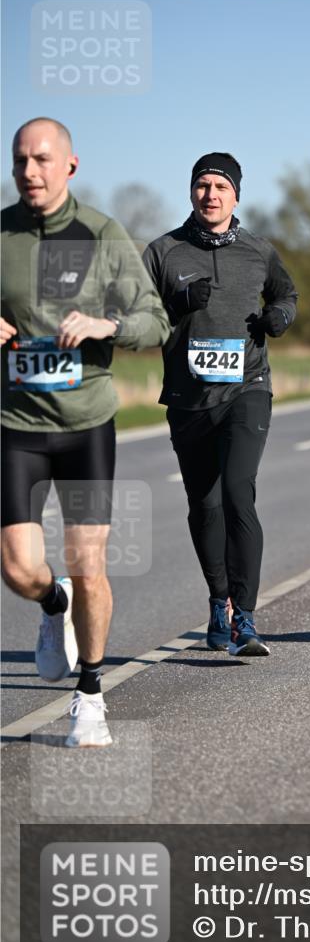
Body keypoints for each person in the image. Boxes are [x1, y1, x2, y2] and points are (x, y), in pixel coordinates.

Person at [1, 118, 171, 745]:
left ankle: (90, 694)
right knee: (19, 569)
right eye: (20, 160)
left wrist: (106, 327)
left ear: (70, 166)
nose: (29, 172)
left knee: (88, 561)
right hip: (15, 423)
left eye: (42, 159)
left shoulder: (100, 233)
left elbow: (155, 323)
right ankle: (53, 607)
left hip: (84, 425)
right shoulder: (2, 235)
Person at [143, 153, 297, 656]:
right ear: (191, 192)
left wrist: (277, 316)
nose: (210, 194)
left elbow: (287, 295)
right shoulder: (164, 251)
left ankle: (247, 620)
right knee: (203, 505)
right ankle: (218, 601)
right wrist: (177, 306)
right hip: (189, 399)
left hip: (247, 389)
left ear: (236, 195)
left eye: (220, 186)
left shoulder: (258, 251)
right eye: (202, 185)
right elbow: (137, 320)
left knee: (237, 492)